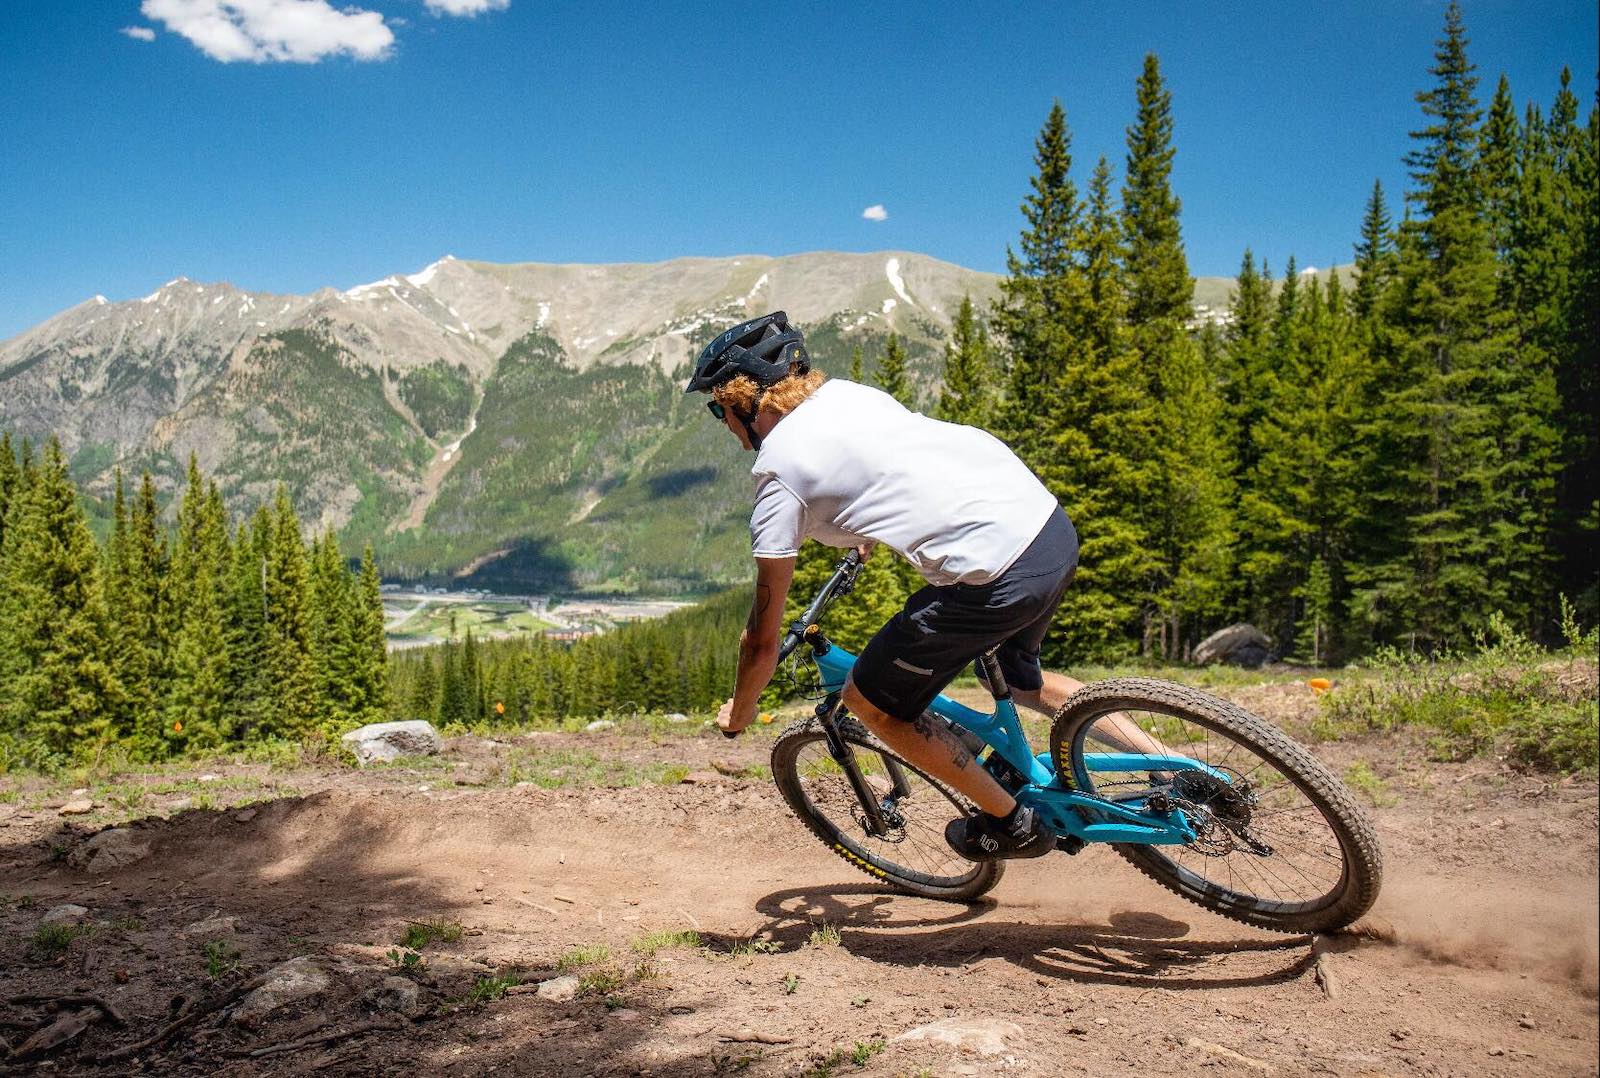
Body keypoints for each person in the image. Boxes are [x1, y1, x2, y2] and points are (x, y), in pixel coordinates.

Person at [686, 311, 1089, 861]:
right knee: (1023, 683)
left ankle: (1013, 824)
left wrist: (741, 710)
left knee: (873, 705)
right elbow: (890, 471)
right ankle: (1195, 775)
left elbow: (761, 637)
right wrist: (858, 534)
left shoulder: (778, 474)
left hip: (992, 576)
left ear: (742, 401)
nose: (723, 423)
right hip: (1045, 529)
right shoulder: (848, 397)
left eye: (718, 409)